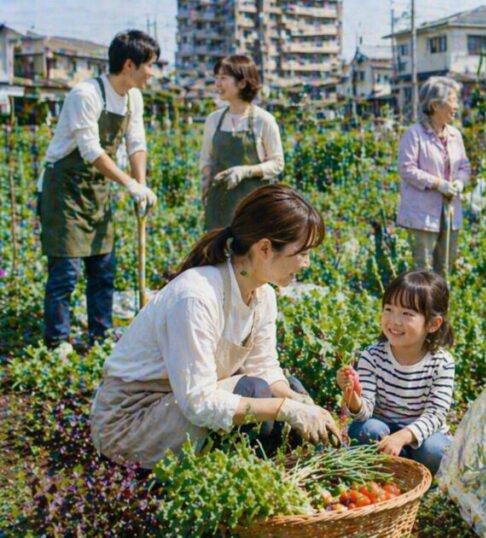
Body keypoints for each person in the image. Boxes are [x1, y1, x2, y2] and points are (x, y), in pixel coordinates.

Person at [91, 185, 341, 469]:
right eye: (302, 253)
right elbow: (198, 403)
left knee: (289, 390)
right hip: (132, 422)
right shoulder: (196, 296)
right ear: (264, 248)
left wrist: (296, 401)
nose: (307, 263)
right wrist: (284, 408)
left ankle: (267, 474)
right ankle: (243, 477)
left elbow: (264, 367)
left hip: (176, 406)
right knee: (256, 393)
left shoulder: (263, 295)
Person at [38, 30, 159, 347]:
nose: (152, 73)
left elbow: (136, 143)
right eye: (150, 65)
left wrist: (141, 185)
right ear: (130, 65)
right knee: (66, 271)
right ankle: (57, 341)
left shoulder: (133, 97)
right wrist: (128, 183)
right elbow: (90, 150)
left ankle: (100, 335)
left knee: (103, 268)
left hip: (97, 190)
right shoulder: (86, 94)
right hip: (64, 190)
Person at [337, 270, 456, 476]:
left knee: (435, 451)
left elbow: (435, 415)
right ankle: (395, 467)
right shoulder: (372, 356)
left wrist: (402, 437)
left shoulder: (441, 363)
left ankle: (412, 466)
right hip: (383, 431)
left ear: (433, 324)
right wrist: (352, 396)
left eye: (407, 314)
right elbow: (365, 412)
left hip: (422, 434)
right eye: (389, 309)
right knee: (364, 431)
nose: (394, 320)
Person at [199, 54, 284, 231]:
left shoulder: (264, 120)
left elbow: (277, 163)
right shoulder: (213, 120)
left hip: (253, 206)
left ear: (243, 83)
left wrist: (246, 171)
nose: (217, 84)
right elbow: (207, 160)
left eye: (223, 78)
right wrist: (206, 187)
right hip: (219, 205)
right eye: (216, 78)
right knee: (218, 247)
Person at [396, 76, 471, 275]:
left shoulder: (455, 135)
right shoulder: (415, 134)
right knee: (422, 268)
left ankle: (442, 295)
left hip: (450, 211)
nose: (457, 106)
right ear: (435, 105)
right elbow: (407, 168)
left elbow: (464, 166)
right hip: (423, 213)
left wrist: (460, 182)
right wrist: (438, 184)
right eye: (453, 100)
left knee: (446, 266)